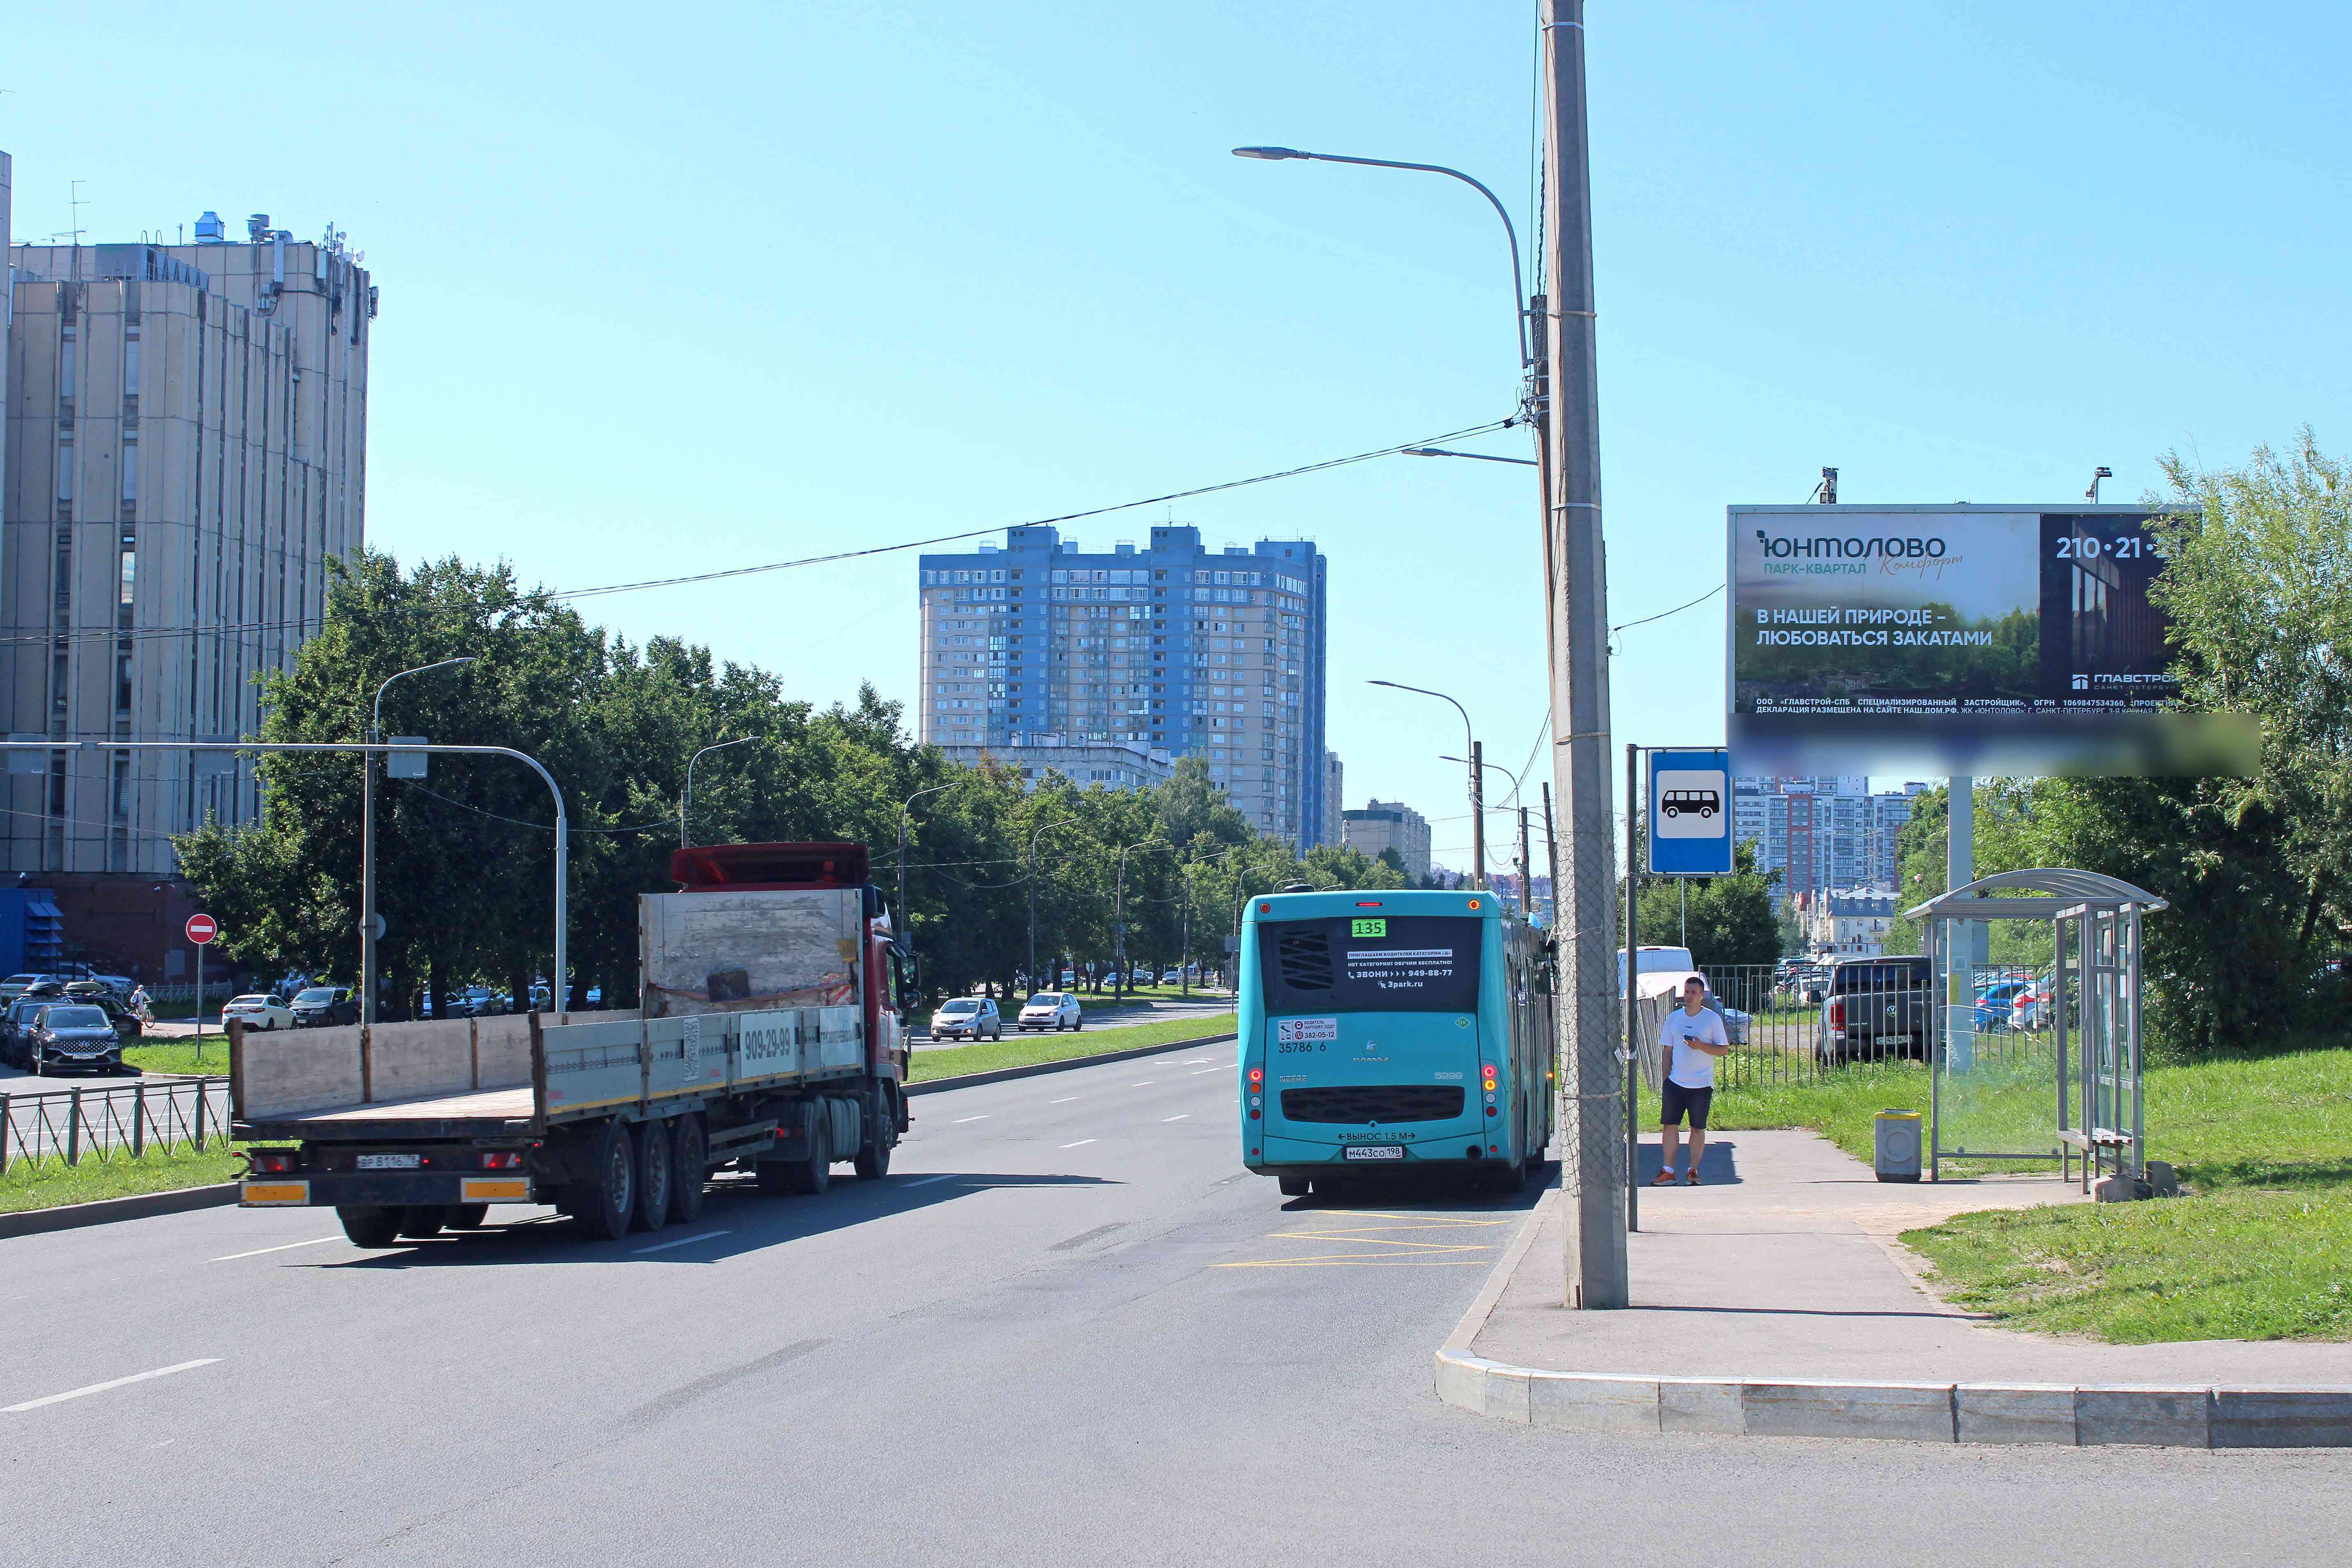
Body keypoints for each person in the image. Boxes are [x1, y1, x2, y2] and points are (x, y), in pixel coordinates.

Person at [1653, 974, 1730, 1186]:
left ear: (1702, 995)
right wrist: (1666, 1079)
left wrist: (1701, 1046)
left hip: (1702, 1084)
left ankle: (1692, 1171)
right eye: (1687, 992)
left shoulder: (1712, 1019)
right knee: (1670, 1126)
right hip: (1676, 1083)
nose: (1689, 996)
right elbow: (1667, 1050)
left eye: (1694, 993)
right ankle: (1668, 1171)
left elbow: (1724, 1050)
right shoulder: (1674, 1018)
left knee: (1697, 1128)